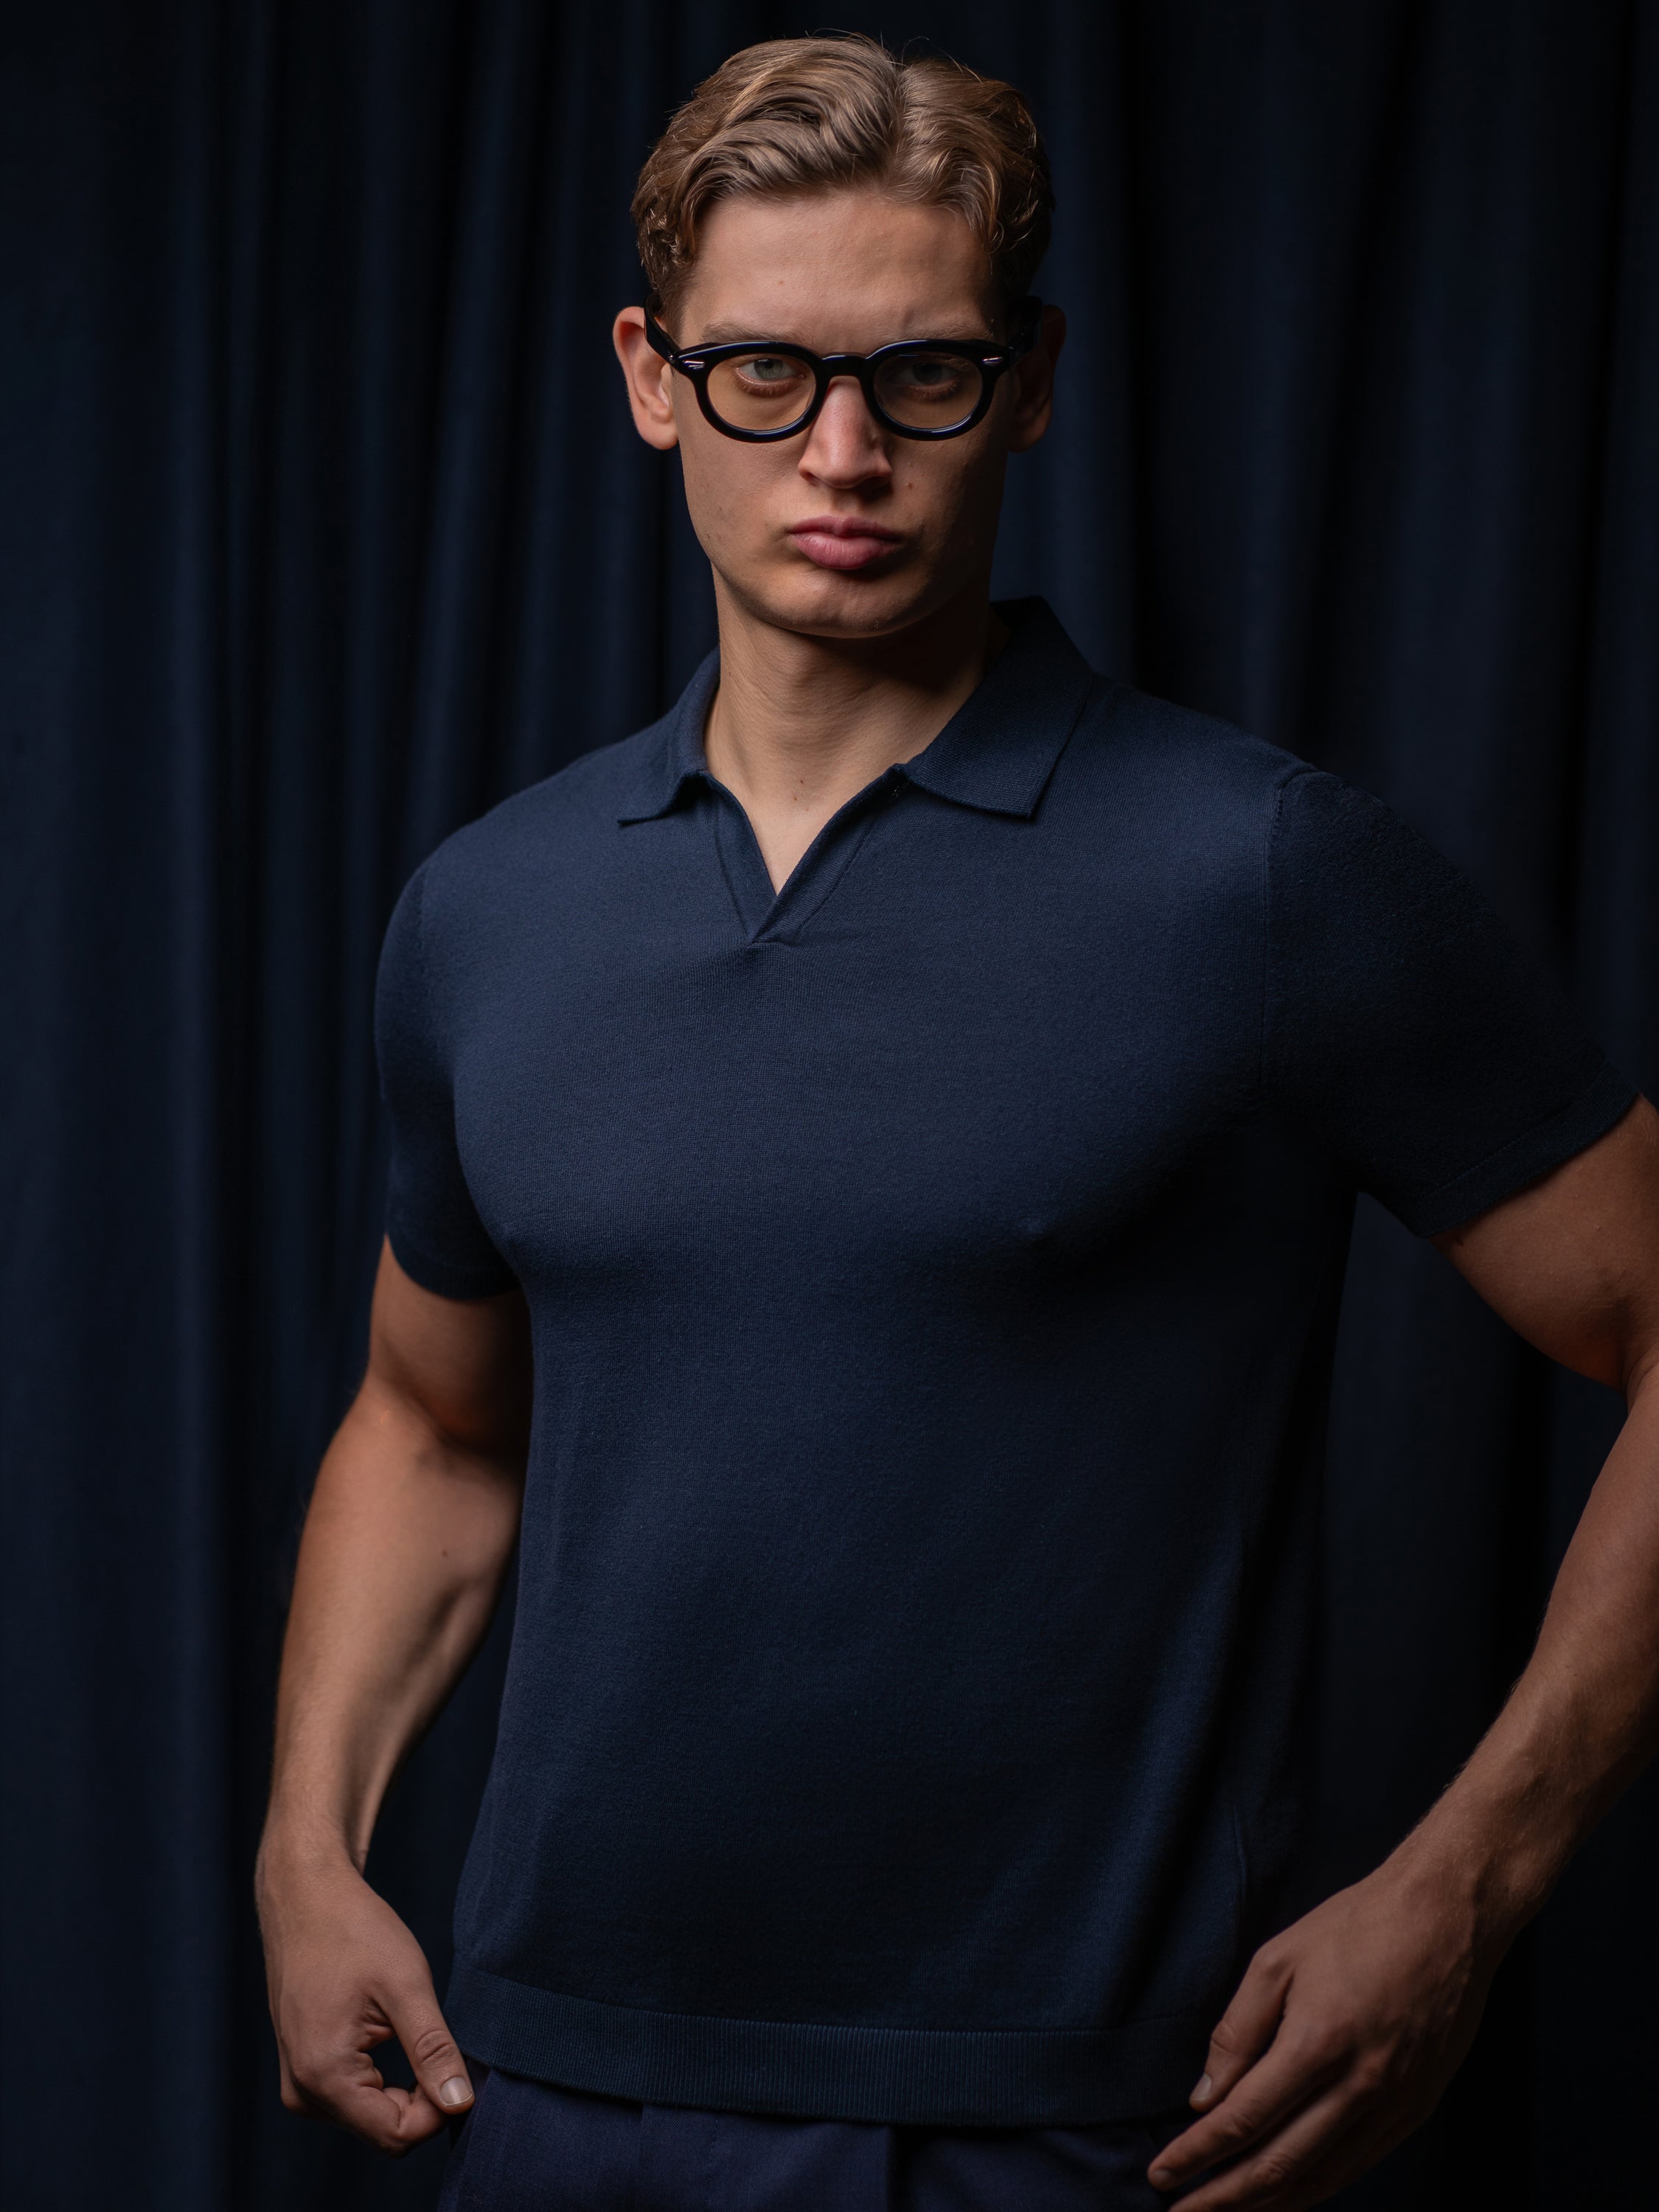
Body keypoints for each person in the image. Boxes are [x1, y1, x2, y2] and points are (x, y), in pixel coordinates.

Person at [255, 33, 1659, 2212]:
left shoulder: (1260, 876)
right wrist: (307, 1847)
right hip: (541, 2098)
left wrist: (1469, 1878)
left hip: (1074, 2126)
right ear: (648, 378)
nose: (842, 453)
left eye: (920, 374)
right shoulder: (489, 909)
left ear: (1028, 384)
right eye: (763, 374)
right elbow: (432, 1427)